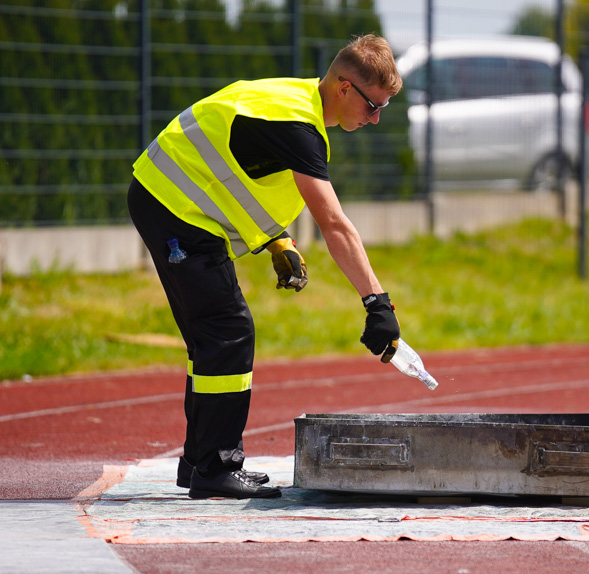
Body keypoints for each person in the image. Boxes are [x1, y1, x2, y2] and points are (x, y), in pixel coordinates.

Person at [127, 34, 403, 499]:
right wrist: (377, 303)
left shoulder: (294, 102)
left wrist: (279, 241)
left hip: (171, 204)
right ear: (343, 87)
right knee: (228, 331)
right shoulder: (299, 126)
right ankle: (215, 468)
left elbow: (239, 171)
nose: (375, 118)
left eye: (384, 109)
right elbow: (335, 225)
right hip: (175, 209)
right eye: (373, 105)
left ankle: (200, 462)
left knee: (212, 337)